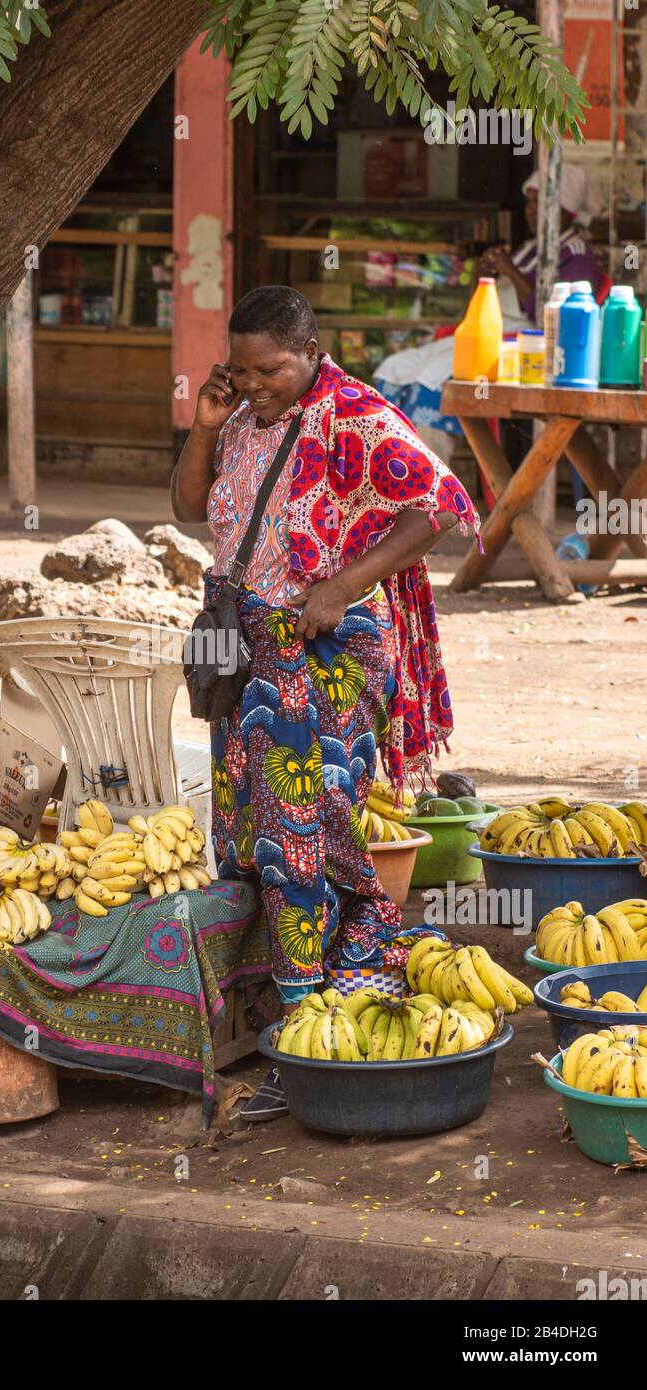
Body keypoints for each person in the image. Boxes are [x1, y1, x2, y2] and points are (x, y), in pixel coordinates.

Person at [172, 285, 479, 1121]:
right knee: (246, 824)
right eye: (241, 369)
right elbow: (189, 508)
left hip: (324, 652)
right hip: (243, 645)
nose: (254, 382)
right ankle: (287, 993)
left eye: (269, 368)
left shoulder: (358, 418)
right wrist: (205, 423)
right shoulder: (240, 419)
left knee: (298, 830)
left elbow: (445, 506)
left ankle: (313, 1029)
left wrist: (345, 584)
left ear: (311, 353)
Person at [372, 164, 602, 462]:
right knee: (397, 367)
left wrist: (510, 270)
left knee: (431, 383)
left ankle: (424, 484)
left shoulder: (576, 253)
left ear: (566, 208)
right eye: (529, 201)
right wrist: (483, 278)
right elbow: (480, 307)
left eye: (540, 202)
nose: (530, 210)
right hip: (487, 336)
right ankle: (388, 471)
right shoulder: (531, 249)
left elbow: (559, 322)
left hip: (520, 349)